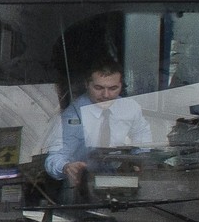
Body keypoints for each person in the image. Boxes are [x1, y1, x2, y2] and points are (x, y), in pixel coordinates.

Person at [43, 60, 152, 195]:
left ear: (121, 85)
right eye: (99, 88)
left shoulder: (130, 108)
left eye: (113, 88)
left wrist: (138, 159)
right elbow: (54, 158)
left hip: (121, 183)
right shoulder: (72, 115)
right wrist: (67, 167)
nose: (106, 95)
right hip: (82, 186)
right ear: (87, 85)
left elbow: (143, 140)